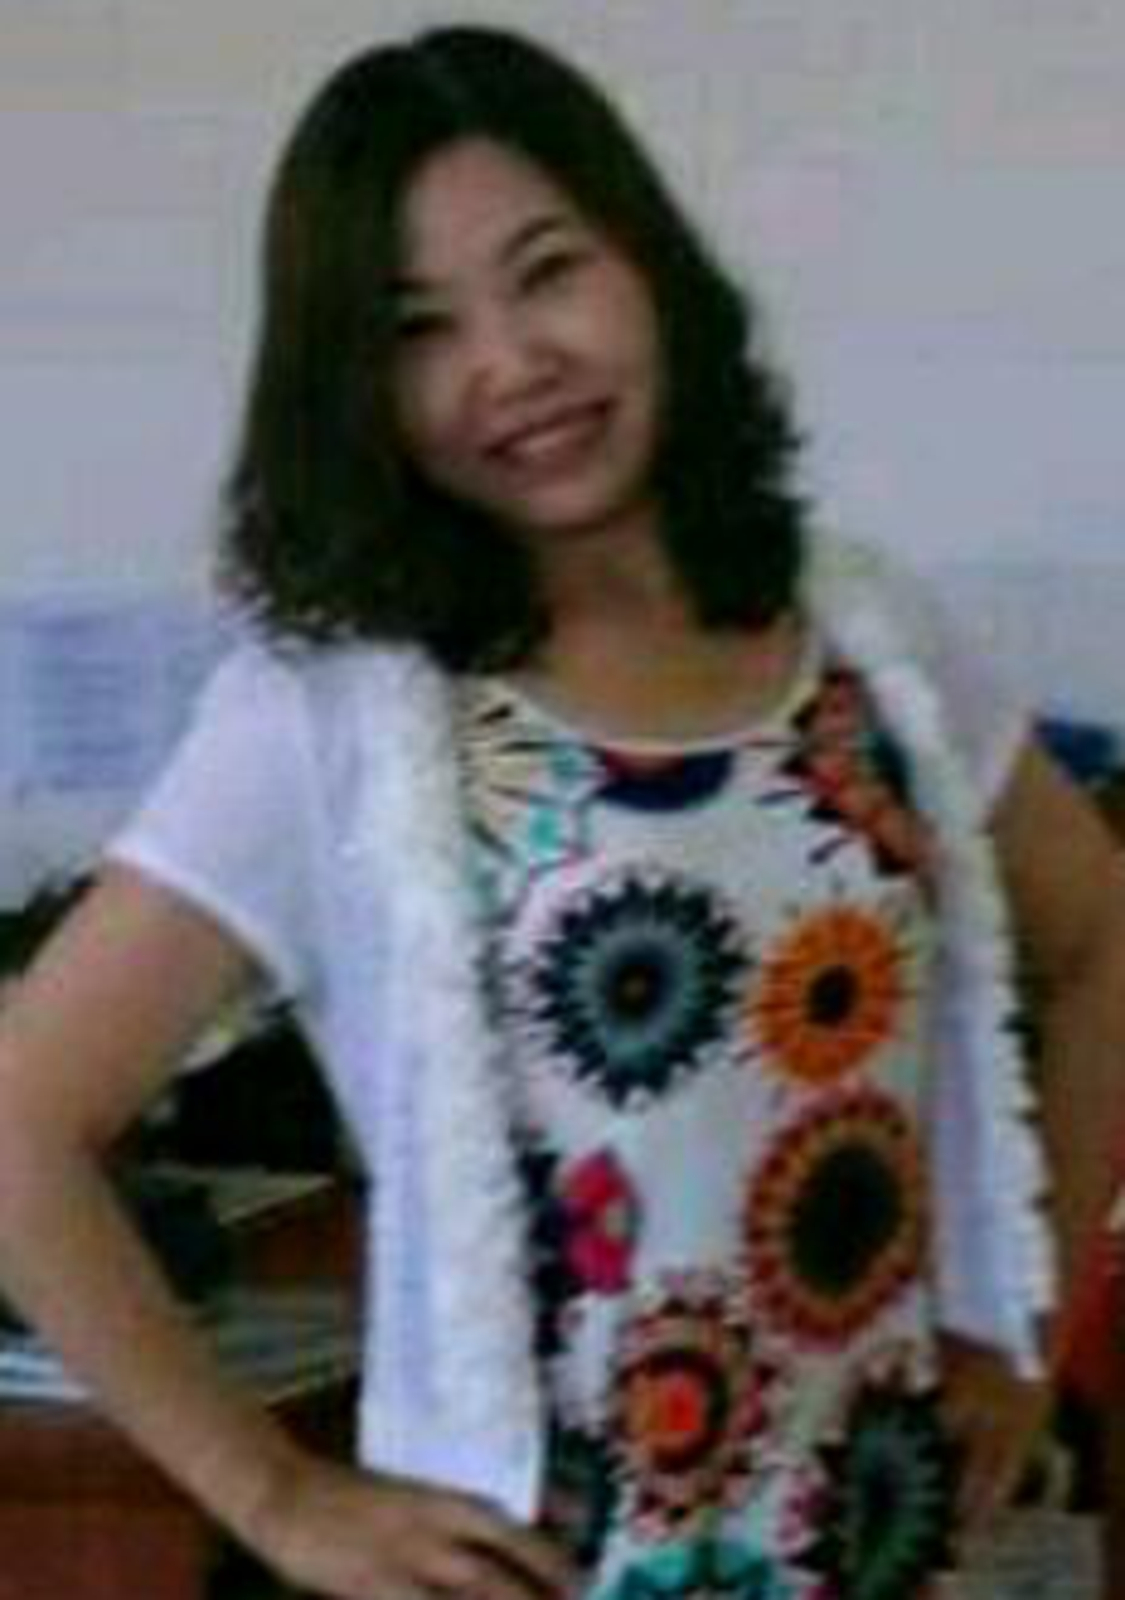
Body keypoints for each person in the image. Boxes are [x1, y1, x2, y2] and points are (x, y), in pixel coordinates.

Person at [0, 25, 1123, 1600]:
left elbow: (1098, 939)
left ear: (647, 265)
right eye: (418, 328)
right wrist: (273, 1495)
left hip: (875, 1539)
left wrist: (1019, 1324)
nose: (510, 362)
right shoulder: (333, 716)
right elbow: (20, 1124)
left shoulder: (861, 635)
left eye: (546, 271)